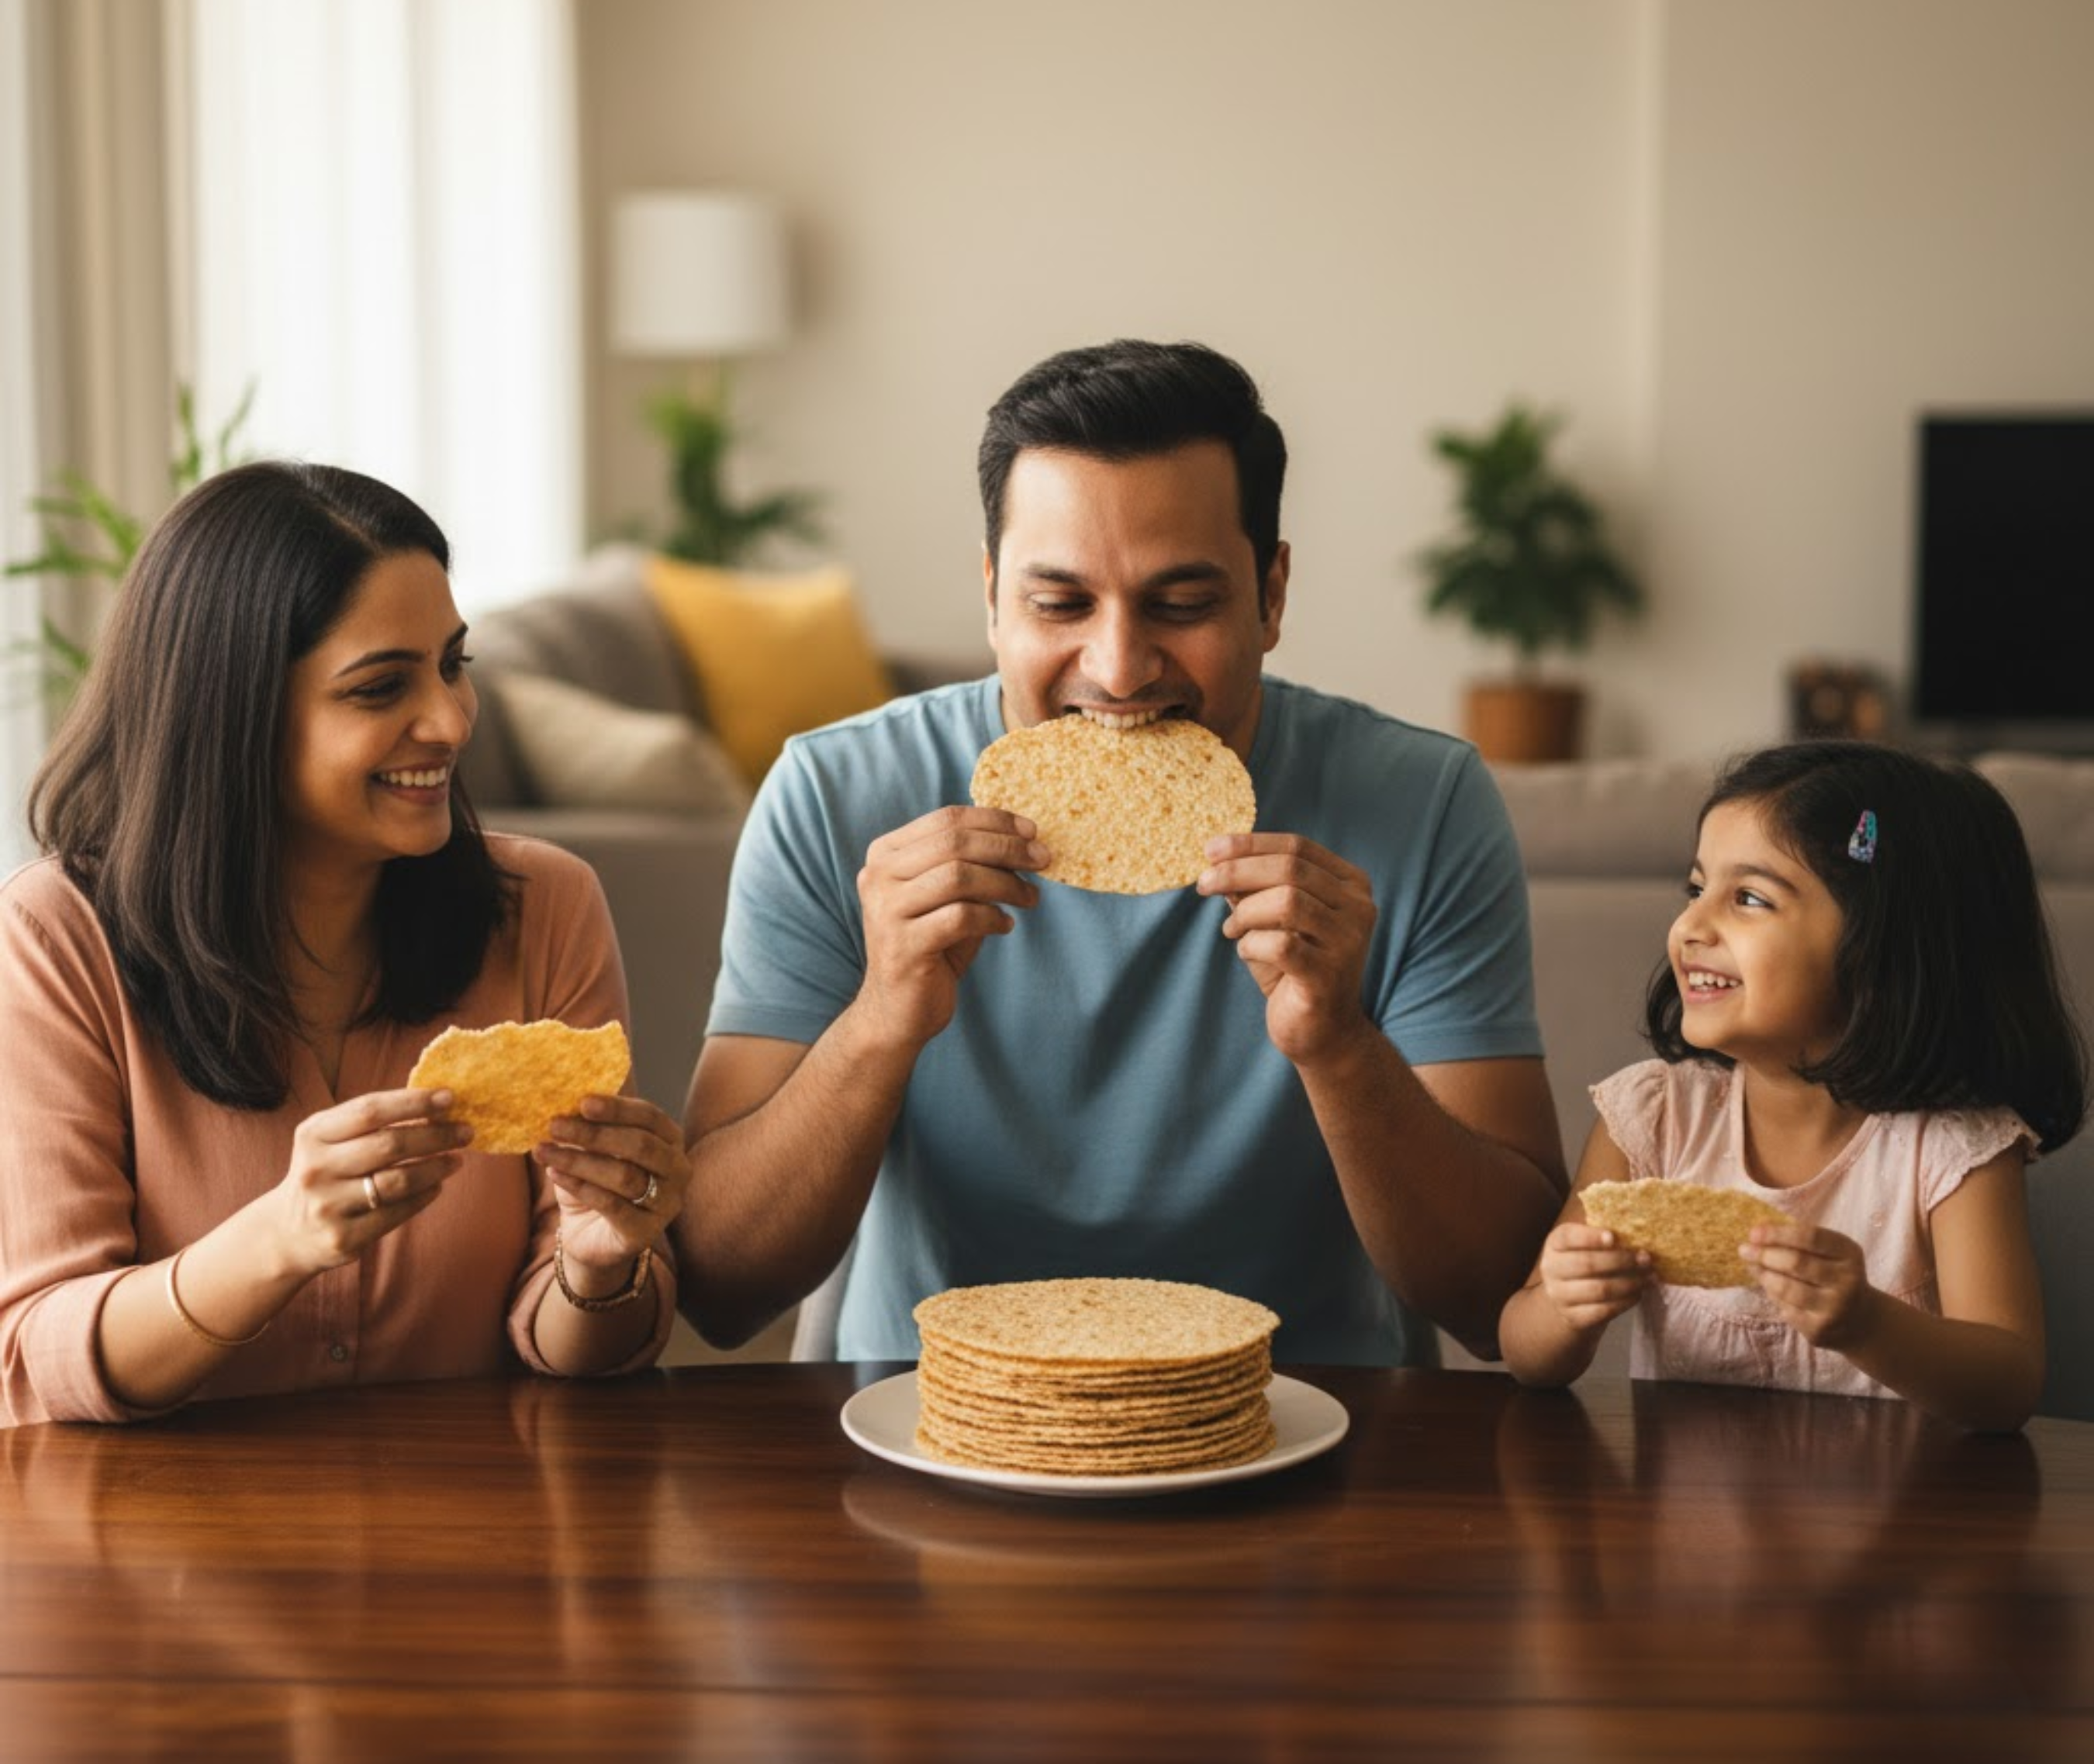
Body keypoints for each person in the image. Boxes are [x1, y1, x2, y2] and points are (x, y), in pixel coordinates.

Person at [672, 338, 1565, 1366]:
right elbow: (719, 1286)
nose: (1120, 667)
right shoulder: (837, 797)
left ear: (1272, 596)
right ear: (992, 597)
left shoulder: (1425, 805)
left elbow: (1504, 1295)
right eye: (1060, 604)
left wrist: (1340, 1045)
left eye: (1182, 605)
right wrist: (879, 1022)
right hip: (922, 1422)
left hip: (1320, 1427)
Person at [0, 463, 690, 1428]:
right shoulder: (54, 939)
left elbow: (578, 1350)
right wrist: (281, 1237)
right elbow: (39, 1358)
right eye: (379, 689)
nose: (450, 722)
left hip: (476, 1543)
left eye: (455, 665)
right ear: (231, 713)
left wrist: (601, 1259)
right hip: (166, 1555)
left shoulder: (546, 907)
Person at [1498, 741, 2087, 1431]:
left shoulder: (1953, 1151)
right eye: (1696, 889)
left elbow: (2009, 1384)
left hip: (1902, 1527)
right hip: (1680, 1533)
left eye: (1748, 898)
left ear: (1883, 948)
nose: (1691, 926)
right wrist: (1563, 1306)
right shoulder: (1654, 1118)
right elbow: (1526, 1353)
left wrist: (1868, 1323)